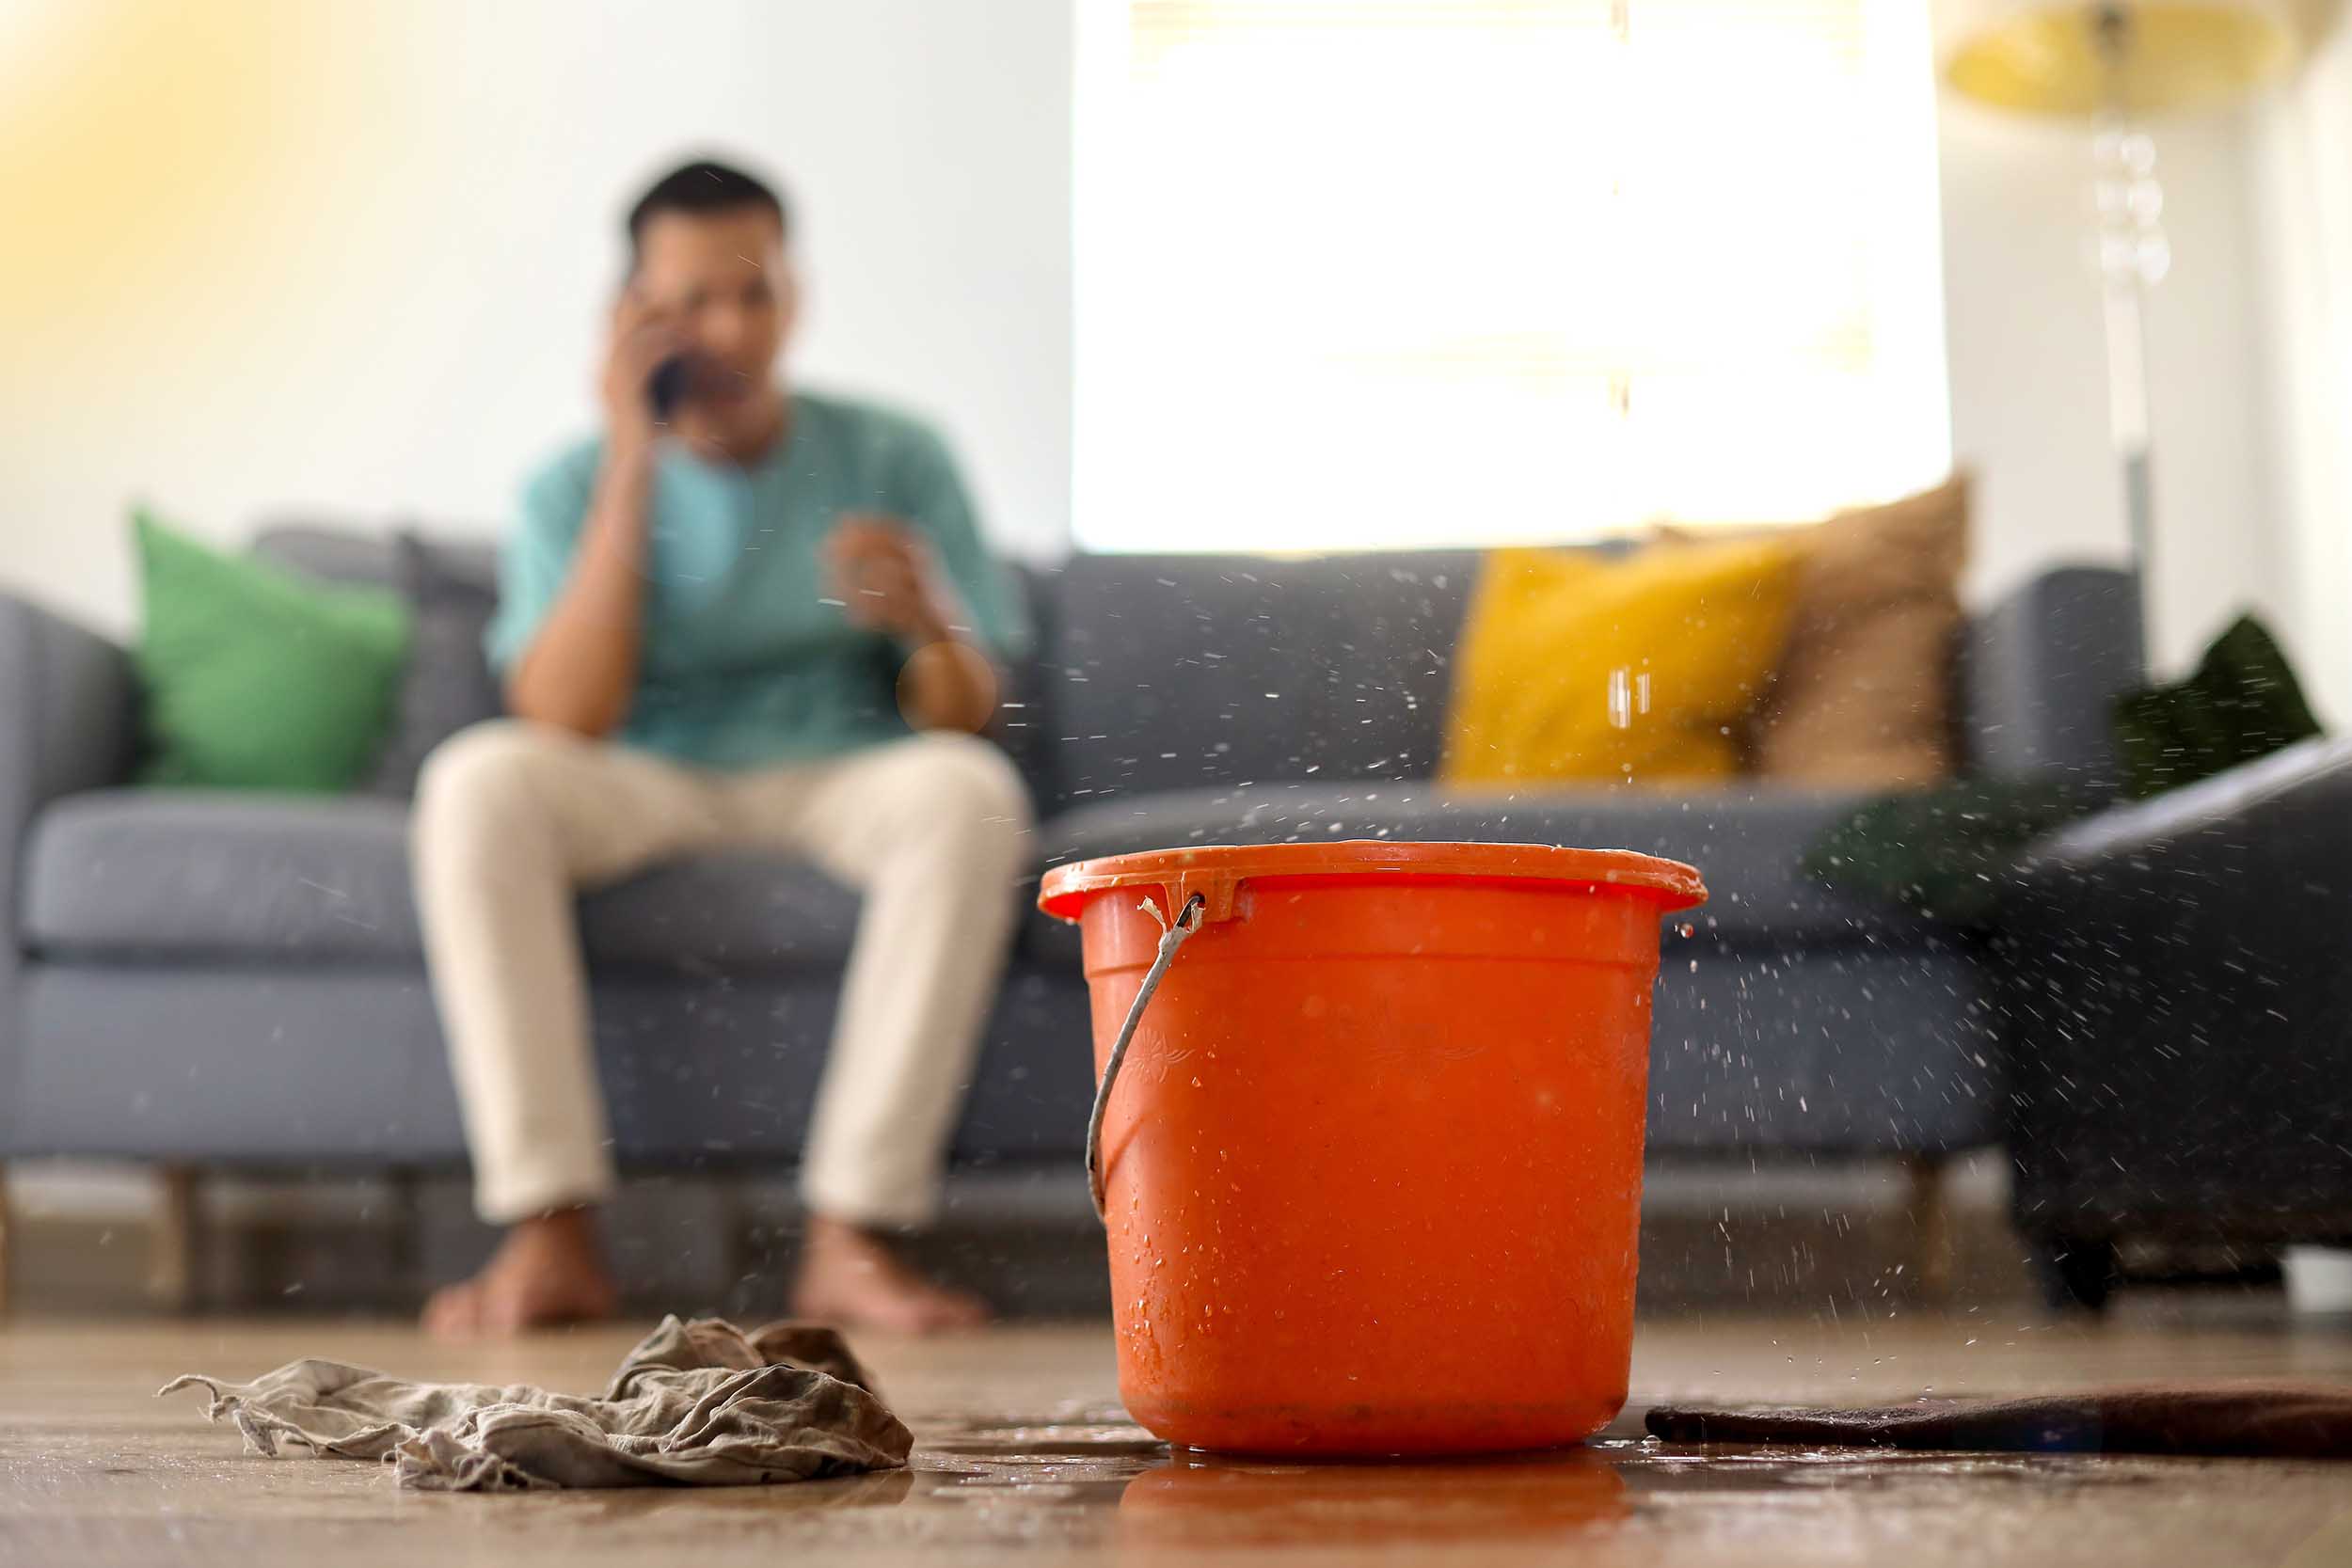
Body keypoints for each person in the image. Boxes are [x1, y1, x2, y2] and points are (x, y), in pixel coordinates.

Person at [413, 157, 1033, 1337]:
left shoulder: (895, 455)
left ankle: (851, 1236)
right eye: (695, 300)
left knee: (970, 793)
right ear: (634, 313)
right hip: (640, 774)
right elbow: (565, 715)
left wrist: (927, 621)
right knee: (476, 780)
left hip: (837, 771)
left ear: (794, 295)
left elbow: (959, 711)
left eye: (756, 293)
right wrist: (631, 454)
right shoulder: (570, 484)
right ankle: (550, 1231)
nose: (734, 327)